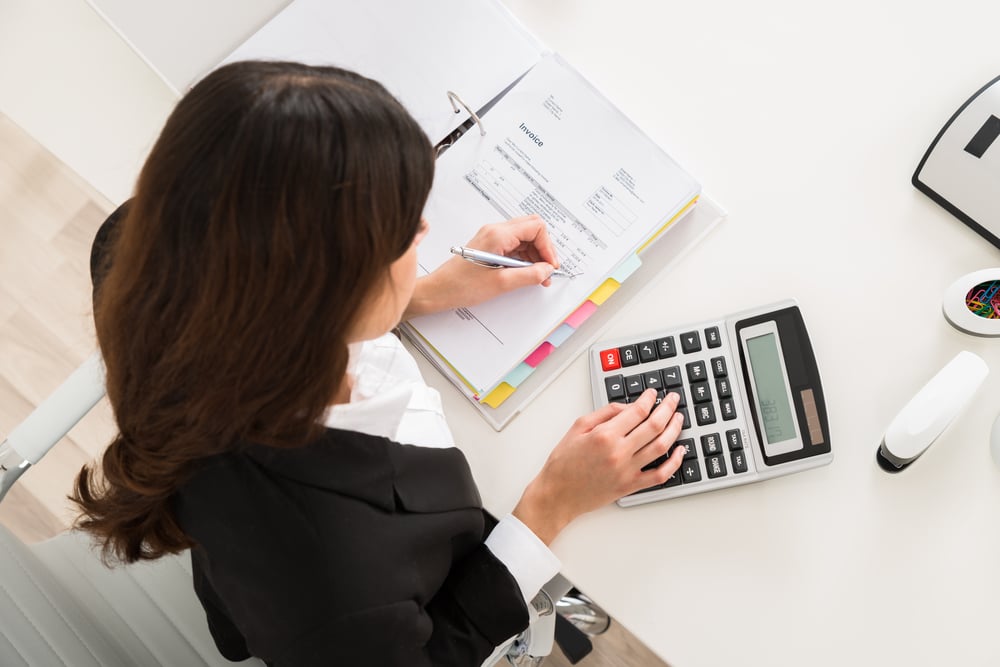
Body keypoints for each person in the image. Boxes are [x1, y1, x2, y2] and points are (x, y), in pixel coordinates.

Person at [73, 60, 686, 666]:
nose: (423, 228)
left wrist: (410, 295)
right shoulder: (342, 581)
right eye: (400, 234)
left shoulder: (142, 255)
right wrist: (551, 503)